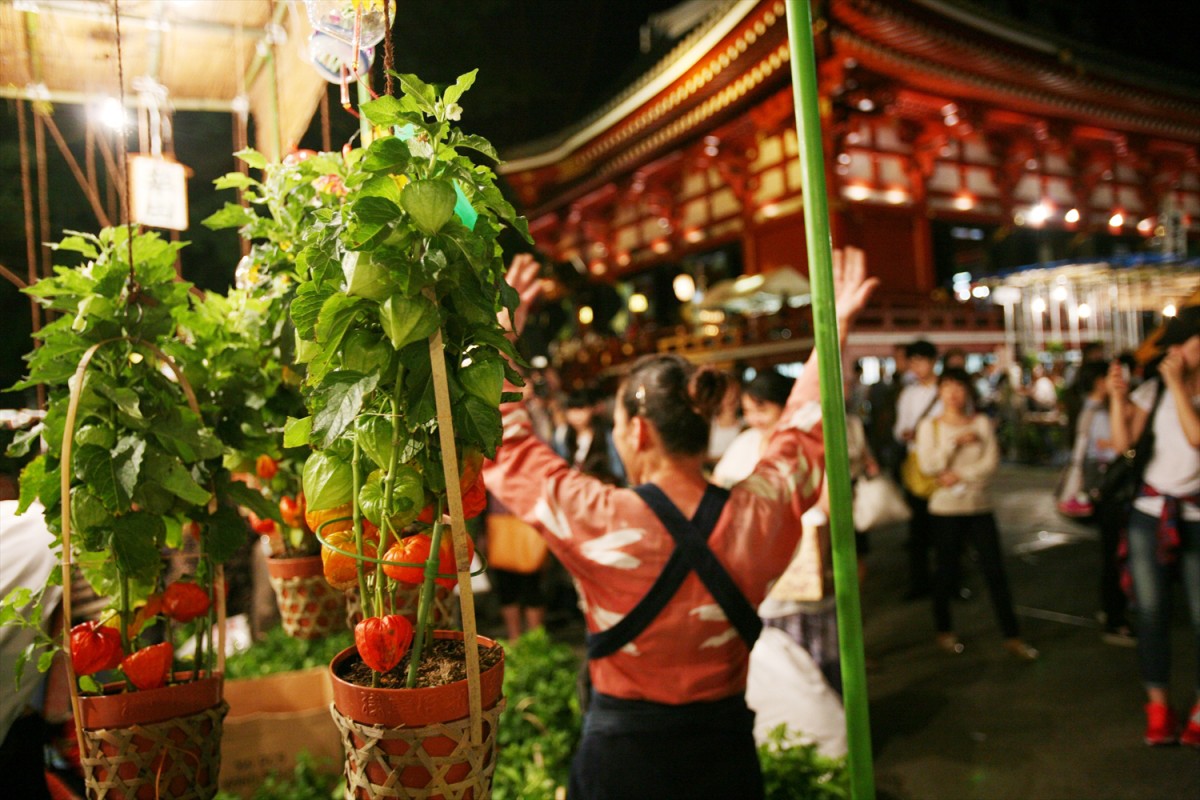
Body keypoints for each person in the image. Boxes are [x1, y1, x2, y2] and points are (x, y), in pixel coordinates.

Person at [484, 249, 877, 799]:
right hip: (725, 761)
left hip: (625, 764)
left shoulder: (601, 518)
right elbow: (805, 433)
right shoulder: (757, 516)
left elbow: (506, 442)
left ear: (638, 432)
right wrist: (833, 329)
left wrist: (501, 340)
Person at [712, 369, 842, 692]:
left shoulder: (807, 447)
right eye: (748, 411)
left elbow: (827, 504)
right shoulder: (744, 444)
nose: (754, 418)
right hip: (760, 578)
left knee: (814, 664)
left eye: (762, 409)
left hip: (801, 566)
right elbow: (718, 486)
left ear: (786, 406)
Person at [1107, 305, 1200, 747]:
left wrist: (1178, 387)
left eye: (1190, 342)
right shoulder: (1152, 392)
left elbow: (1196, 438)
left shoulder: (1172, 389)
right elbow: (1124, 445)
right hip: (1150, 515)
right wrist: (1116, 396)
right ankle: (1159, 706)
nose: (1181, 351)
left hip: (1197, 517)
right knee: (1151, 613)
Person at [915, 368, 1039, 661]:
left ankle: (1012, 636)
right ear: (940, 392)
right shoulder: (929, 426)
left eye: (959, 387)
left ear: (968, 391)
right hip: (945, 509)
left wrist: (958, 475)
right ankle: (943, 630)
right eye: (947, 387)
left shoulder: (981, 423)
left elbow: (990, 464)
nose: (954, 393)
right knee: (945, 571)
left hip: (980, 506)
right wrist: (952, 443)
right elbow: (928, 465)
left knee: (995, 572)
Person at [894, 339, 941, 600]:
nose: (917, 366)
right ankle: (920, 582)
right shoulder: (908, 394)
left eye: (922, 360)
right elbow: (899, 429)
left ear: (933, 361)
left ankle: (949, 580)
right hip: (916, 465)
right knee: (918, 528)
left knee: (946, 527)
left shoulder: (946, 390)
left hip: (942, 465)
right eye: (913, 361)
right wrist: (905, 434)